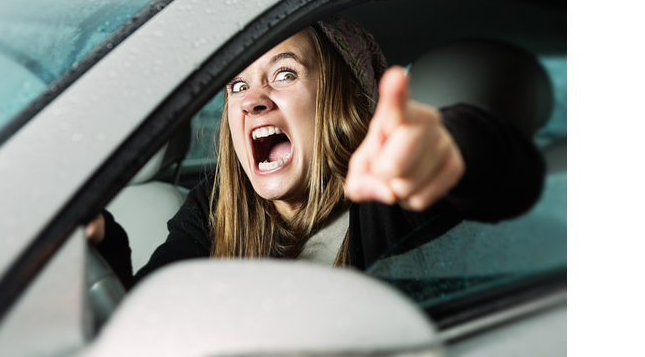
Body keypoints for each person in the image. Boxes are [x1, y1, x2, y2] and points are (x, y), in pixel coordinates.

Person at [89, 15, 545, 290]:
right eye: (238, 86)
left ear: (341, 98)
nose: (252, 99)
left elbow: (513, 180)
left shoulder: (392, 194)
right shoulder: (216, 205)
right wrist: (102, 243)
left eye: (284, 74)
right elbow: (149, 318)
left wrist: (451, 145)